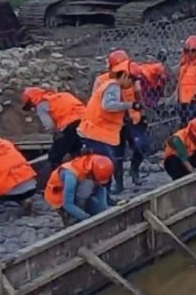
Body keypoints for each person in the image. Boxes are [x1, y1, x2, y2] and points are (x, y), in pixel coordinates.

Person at [79, 58, 137, 164]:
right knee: (105, 164)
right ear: (124, 75)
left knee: (107, 162)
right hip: (95, 132)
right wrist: (130, 105)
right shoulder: (113, 86)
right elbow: (108, 105)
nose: (131, 83)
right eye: (131, 79)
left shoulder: (110, 85)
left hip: (94, 131)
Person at [22, 87, 86, 167]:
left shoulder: (41, 105)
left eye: (30, 105)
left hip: (69, 124)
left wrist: (56, 134)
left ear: (32, 100)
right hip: (85, 122)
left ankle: (56, 175)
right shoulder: (63, 96)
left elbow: (49, 125)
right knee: (76, 149)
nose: (32, 108)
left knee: (55, 155)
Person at [44, 154, 114, 225]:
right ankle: (71, 217)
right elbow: (67, 204)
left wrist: (104, 210)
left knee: (89, 189)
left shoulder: (94, 163)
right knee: (86, 187)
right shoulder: (70, 176)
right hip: (60, 196)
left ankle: (83, 209)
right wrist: (87, 218)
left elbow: (101, 187)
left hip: (78, 187)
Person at [114, 62, 149, 192]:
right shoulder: (112, 86)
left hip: (134, 121)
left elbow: (140, 101)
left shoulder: (134, 85)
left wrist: (143, 117)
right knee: (117, 154)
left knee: (142, 146)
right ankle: (119, 184)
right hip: (118, 124)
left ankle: (134, 170)